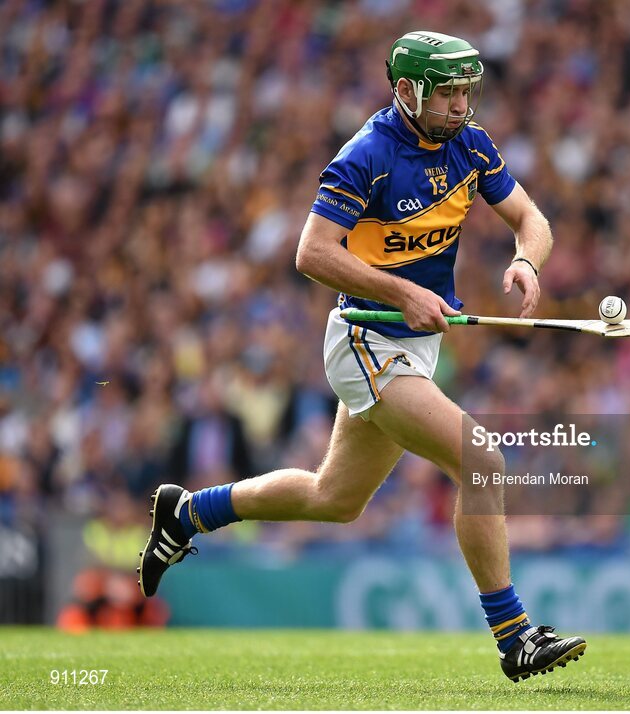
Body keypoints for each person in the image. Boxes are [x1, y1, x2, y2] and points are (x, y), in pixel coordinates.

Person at [137, 30, 586, 682]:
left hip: (415, 347)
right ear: (407, 91)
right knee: (480, 457)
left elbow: (531, 220)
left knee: (334, 498)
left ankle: (187, 512)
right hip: (366, 338)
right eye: (448, 93)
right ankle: (515, 636)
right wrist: (403, 289)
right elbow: (312, 252)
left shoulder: (471, 144)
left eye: (467, 91)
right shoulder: (367, 156)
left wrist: (525, 262)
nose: (461, 105)